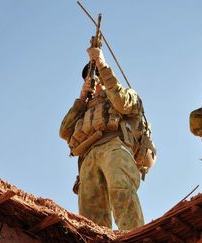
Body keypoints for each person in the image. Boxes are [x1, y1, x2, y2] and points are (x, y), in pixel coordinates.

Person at [59, 47, 155, 230]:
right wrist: (81, 99)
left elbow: (123, 102)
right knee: (90, 214)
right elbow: (65, 132)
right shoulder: (84, 108)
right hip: (88, 157)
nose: (93, 80)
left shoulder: (124, 94)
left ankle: (134, 236)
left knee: (122, 193)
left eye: (95, 75)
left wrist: (102, 66)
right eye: (89, 77)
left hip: (115, 146)